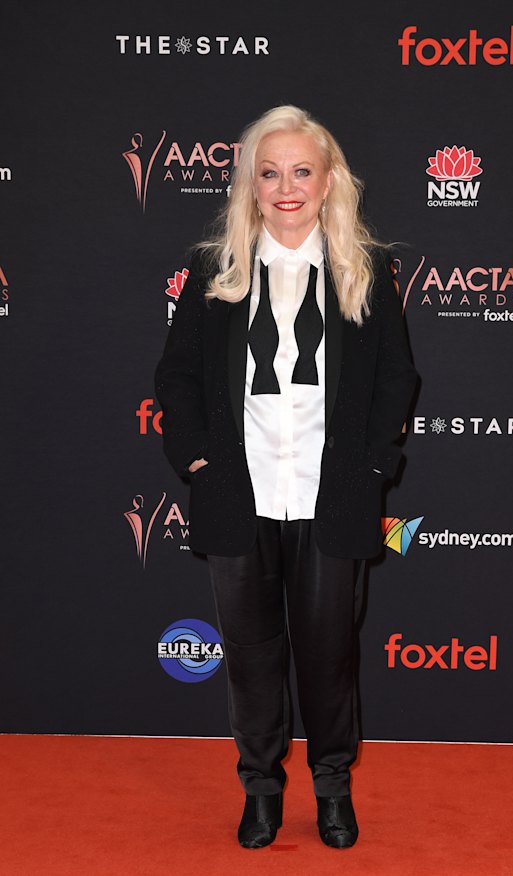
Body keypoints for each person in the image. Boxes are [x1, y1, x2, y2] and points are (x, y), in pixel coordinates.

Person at [155, 105, 418, 850]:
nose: (286, 186)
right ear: (250, 185)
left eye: (301, 170)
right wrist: (199, 463)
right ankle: (261, 790)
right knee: (250, 654)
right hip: (239, 495)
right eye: (269, 173)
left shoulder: (364, 268)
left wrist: (373, 467)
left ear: (328, 179)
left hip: (333, 495)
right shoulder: (216, 270)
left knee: (330, 654)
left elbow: (397, 380)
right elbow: (176, 378)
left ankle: (333, 787)